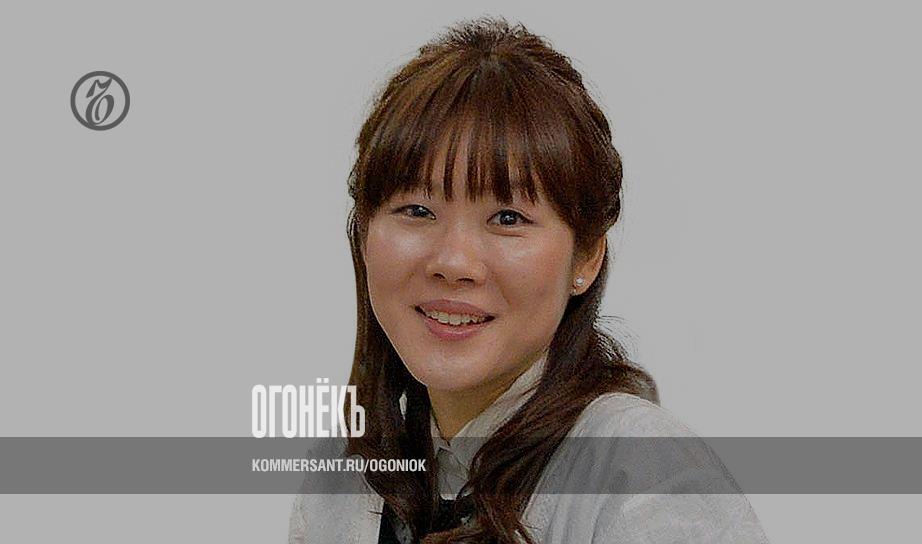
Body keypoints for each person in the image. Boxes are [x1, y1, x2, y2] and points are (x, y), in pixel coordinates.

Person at [290, 17, 770, 543]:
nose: (454, 262)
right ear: (363, 234)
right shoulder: (343, 478)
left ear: (586, 257)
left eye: (508, 218)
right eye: (417, 210)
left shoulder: (643, 478)